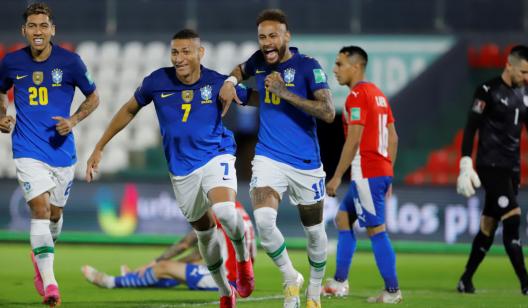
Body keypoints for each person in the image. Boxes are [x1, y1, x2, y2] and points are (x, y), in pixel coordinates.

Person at [85, 29, 254, 308]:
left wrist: (271, 94)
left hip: (216, 156)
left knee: (225, 210)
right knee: (205, 235)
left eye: (186, 51)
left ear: (200, 53)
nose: (179, 58)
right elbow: (129, 109)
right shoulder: (156, 81)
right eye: (175, 52)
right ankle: (225, 291)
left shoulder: (218, 81)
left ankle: (243, 263)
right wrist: (100, 146)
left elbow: (252, 98)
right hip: (181, 171)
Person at [219, 8, 335, 308]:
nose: (267, 42)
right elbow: (239, 71)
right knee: (264, 222)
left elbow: (327, 112)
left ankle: (314, 290)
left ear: (287, 37)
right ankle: (290, 277)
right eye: (262, 37)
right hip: (269, 157)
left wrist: (285, 92)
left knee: (314, 233)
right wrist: (233, 84)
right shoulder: (258, 61)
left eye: (273, 36)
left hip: (306, 163)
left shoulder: (309, 67)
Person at [0, 3, 99, 306]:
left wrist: (73, 121)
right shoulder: (11, 62)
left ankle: (40, 256)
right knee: (40, 210)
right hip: (27, 149)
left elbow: (94, 97)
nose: (38, 32)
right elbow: (1, 92)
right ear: (24, 31)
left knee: (55, 214)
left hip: (62, 153)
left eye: (43, 26)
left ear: (52, 29)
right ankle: (51, 284)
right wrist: (2, 114)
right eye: (33, 26)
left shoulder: (71, 62)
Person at [456, 45, 528, 296]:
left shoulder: (527, 92)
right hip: (491, 166)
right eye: (523, 72)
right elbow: (471, 127)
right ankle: (526, 282)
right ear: (509, 65)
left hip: (512, 168)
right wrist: (466, 162)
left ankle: (465, 279)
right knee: (513, 218)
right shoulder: (487, 91)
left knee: (488, 225)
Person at [322, 46, 402, 304]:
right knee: (343, 219)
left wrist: (336, 176)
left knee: (377, 230)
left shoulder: (356, 95)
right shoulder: (378, 94)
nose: (335, 69)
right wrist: (388, 170)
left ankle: (392, 292)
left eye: (339, 64)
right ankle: (339, 282)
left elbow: (354, 138)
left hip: (367, 171)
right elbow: (393, 137)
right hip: (379, 171)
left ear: (355, 67)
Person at [82, 202, 256, 292]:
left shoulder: (217, 213)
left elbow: (185, 244)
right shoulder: (238, 210)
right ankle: (135, 276)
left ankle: (111, 282)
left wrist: (154, 263)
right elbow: (198, 254)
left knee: (164, 267)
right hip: (240, 276)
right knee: (180, 268)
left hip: (228, 280)